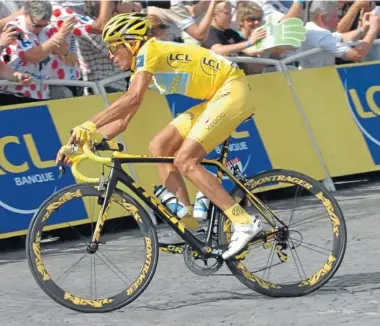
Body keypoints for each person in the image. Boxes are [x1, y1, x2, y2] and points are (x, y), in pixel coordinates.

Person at [57, 13, 263, 260]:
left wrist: (88, 125)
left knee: (186, 161)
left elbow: (132, 98)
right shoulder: (142, 67)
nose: (110, 56)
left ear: (131, 42)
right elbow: (123, 121)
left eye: (113, 48)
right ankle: (187, 219)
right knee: (159, 145)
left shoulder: (149, 50)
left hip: (232, 91)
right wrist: (81, 145)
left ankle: (244, 222)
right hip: (217, 97)